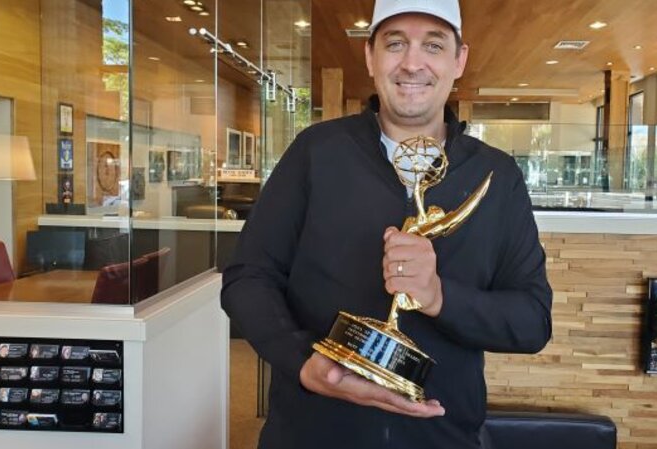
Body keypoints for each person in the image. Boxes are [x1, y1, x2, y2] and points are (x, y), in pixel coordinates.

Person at [220, 0, 552, 448]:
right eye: (395, 44)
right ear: (370, 56)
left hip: (443, 437)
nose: (412, 63)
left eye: (433, 45)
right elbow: (247, 277)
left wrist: (438, 296)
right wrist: (301, 361)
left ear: (459, 60)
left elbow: (532, 322)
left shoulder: (497, 176)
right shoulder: (316, 153)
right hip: (311, 433)